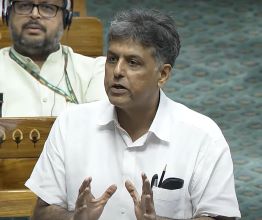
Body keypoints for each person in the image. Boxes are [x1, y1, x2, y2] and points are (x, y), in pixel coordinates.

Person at [25, 9, 241, 220]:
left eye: (133, 62)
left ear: (163, 74)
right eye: (112, 59)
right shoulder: (70, 123)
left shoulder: (203, 135)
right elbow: (41, 212)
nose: (117, 71)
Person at [0, 0, 106, 117]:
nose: (35, 14)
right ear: (7, 14)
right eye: (24, 5)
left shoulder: (95, 71)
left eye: (47, 7)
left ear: (66, 18)